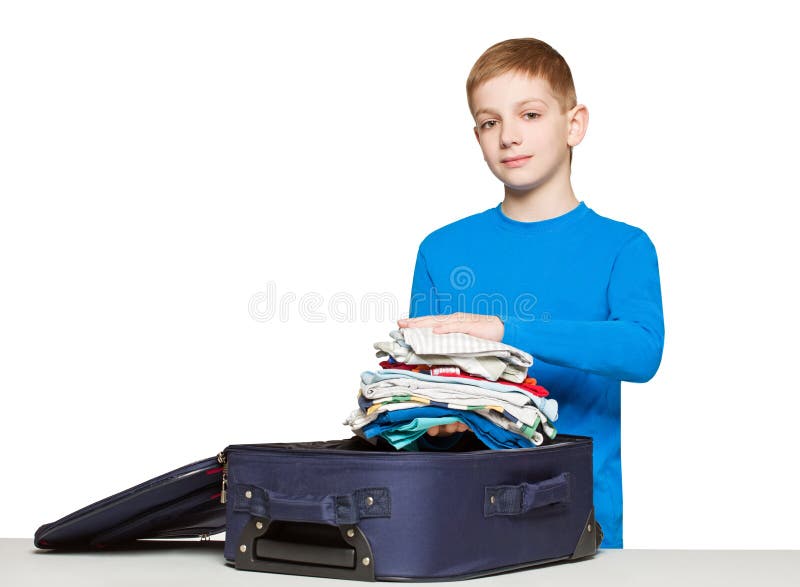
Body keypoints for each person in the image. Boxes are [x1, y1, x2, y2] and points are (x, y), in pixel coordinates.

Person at [395, 38, 665, 549]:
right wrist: (436, 417)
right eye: (491, 122)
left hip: (578, 519)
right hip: (458, 517)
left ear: (574, 124)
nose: (509, 136)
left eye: (531, 114)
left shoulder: (624, 246)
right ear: (477, 135)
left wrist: (505, 332)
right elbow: (424, 382)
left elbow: (641, 351)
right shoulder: (441, 249)